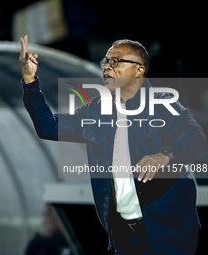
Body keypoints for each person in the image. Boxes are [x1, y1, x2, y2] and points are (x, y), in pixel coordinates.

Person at [19, 35, 207, 254]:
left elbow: (195, 136)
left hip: (168, 235)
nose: (107, 67)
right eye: (105, 62)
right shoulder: (96, 111)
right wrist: (30, 82)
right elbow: (49, 127)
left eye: (116, 61)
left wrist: (164, 156)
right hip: (125, 238)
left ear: (139, 70)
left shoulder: (162, 103)